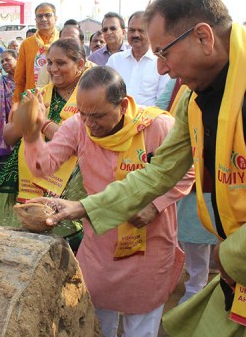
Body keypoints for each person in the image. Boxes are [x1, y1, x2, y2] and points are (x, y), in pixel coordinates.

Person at [44, 0, 246, 337]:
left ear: (203, 37)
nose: (163, 69)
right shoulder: (194, 99)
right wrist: (83, 208)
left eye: (165, 54)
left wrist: (232, 258)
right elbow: (159, 173)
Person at [20, 66, 193, 337]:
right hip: (102, 241)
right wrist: (32, 135)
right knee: (96, 321)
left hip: (149, 241)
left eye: (98, 115)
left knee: (143, 324)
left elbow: (187, 170)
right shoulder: (78, 125)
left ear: (123, 105)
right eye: (84, 113)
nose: (90, 123)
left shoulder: (157, 127)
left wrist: (155, 205)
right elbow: (44, 165)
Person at [0, 38, 88, 251]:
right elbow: (9, 137)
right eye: (49, 62)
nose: (53, 69)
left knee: (59, 244)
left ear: (80, 64)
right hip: (24, 173)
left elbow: (78, 141)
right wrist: (26, 119)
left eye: (61, 63)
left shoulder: (89, 97)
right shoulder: (35, 94)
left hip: (70, 180)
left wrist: (43, 123)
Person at [156, 77, 219, 305]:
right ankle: (173, 281)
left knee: (197, 237)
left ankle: (196, 286)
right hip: (176, 162)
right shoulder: (178, 84)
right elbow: (161, 109)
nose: (163, 67)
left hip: (206, 170)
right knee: (174, 234)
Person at [107, 11, 170, 106]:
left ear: (150, 32)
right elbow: (106, 93)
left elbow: (162, 102)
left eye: (141, 30)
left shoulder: (161, 62)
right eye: (132, 30)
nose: (136, 35)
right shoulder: (115, 60)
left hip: (148, 119)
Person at [13, 2, 60, 102]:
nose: (43, 19)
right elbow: (19, 79)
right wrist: (16, 103)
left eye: (47, 15)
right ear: (35, 20)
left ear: (56, 18)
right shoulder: (27, 44)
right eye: (40, 16)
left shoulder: (62, 42)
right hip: (31, 99)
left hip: (58, 101)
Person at [0, 49, 17, 176]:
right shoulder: (0, 82)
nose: (5, 63)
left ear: (17, 60)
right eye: (2, 61)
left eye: (8, 59)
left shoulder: (26, 81)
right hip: (4, 132)